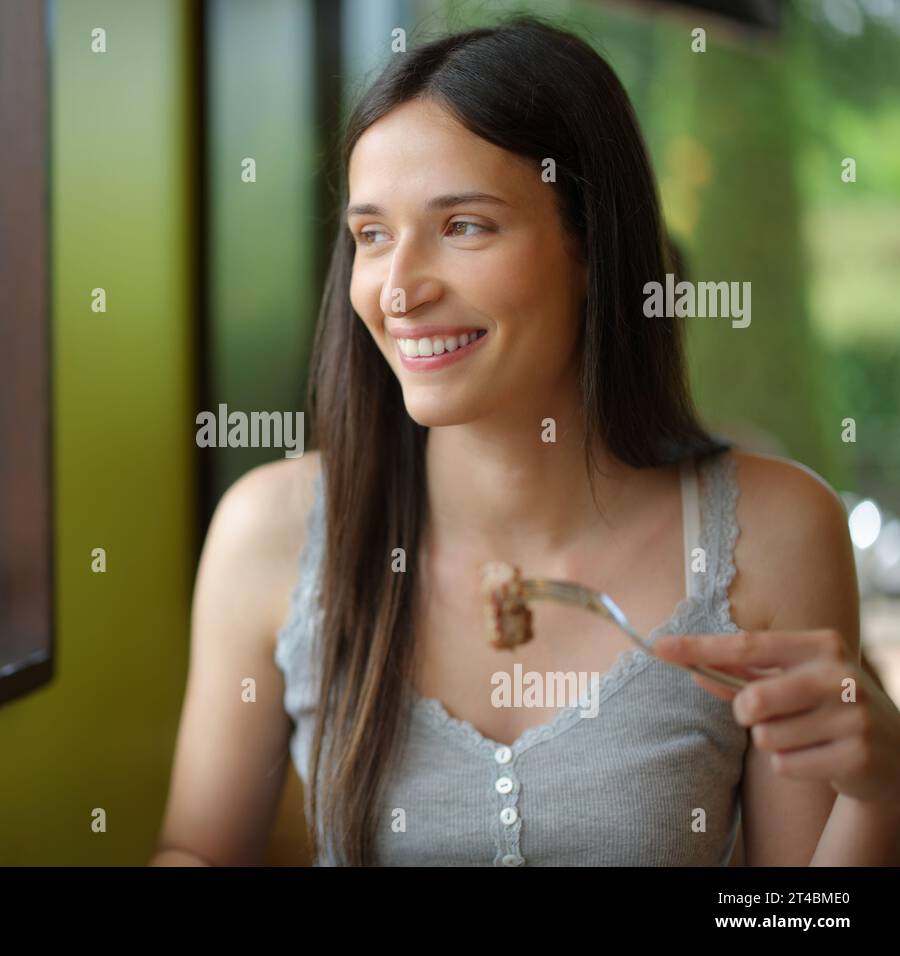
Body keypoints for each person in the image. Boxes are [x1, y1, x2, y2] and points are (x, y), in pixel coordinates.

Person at [151, 18, 900, 866]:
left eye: (465, 225)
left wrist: (882, 796)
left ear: (592, 248)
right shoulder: (271, 532)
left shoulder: (772, 530)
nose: (399, 290)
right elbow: (198, 851)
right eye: (372, 235)